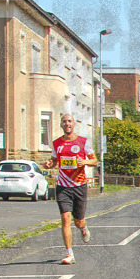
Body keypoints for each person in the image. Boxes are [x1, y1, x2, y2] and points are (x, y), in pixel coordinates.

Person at [44, 113, 98, 265]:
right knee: (65, 218)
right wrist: (49, 165)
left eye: (69, 121)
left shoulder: (83, 142)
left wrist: (85, 161)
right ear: (61, 125)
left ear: (74, 124)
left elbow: (94, 160)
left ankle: (83, 228)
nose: (67, 123)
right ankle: (70, 254)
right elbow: (55, 161)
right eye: (64, 121)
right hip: (63, 186)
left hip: (79, 185)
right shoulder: (56, 144)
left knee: (78, 221)